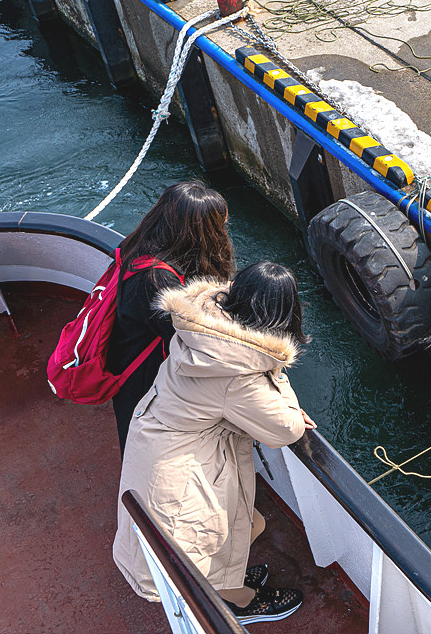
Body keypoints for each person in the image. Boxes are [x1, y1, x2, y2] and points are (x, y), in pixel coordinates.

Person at [113, 262, 316, 625]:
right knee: (212, 544)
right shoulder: (238, 373)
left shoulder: (205, 330)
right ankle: (241, 603)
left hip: (158, 445)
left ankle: (228, 581)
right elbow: (286, 430)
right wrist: (276, 374)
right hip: (182, 474)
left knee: (243, 526)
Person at [107, 181, 236, 453]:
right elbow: (194, 341)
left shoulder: (139, 246)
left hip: (127, 358)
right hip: (144, 378)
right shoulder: (157, 282)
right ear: (202, 232)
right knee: (144, 446)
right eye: (219, 226)